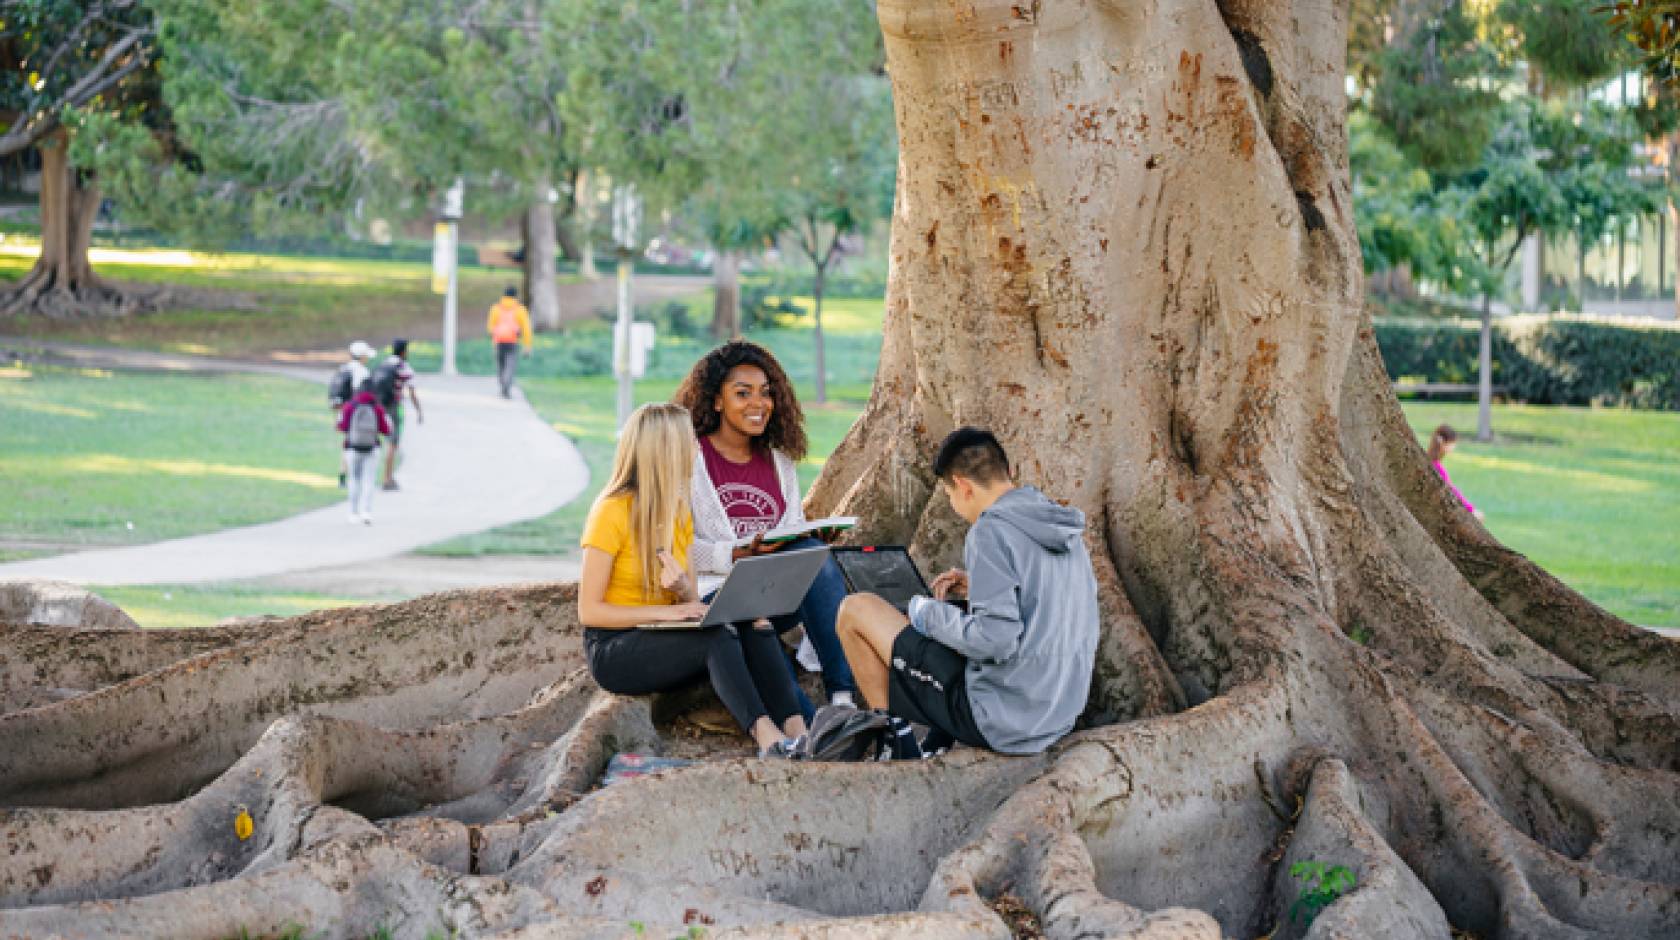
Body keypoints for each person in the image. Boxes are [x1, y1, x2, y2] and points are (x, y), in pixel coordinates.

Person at [834, 427, 1099, 756]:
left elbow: (995, 641)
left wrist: (923, 611)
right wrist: (979, 587)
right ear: (1008, 473)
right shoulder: (1059, 527)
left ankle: (895, 742)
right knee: (950, 628)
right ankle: (929, 739)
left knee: (855, 610)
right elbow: (1051, 603)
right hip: (1056, 714)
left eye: (949, 495)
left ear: (961, 485)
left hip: (1002, 722)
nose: (954, 504)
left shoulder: (990, 531)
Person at [577, 402, 809, 759]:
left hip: (663, 634)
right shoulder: (611, 510)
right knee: (716, 636)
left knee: (752, 617)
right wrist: (664, 614)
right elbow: (590, 611)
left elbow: (686, 598)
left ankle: (800, 731)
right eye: (689, 441)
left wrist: (683, 595)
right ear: (666, 450)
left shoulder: (678, 511)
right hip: (614, 647)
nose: (697, 448)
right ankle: (768, 739)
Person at [674, 341, 858, 716]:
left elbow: (788, 530)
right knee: (753, 623)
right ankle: (805, 725)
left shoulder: (779, 462)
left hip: (774, 591)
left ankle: (843, 698)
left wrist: (807, 537)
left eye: (766, 393)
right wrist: (736, 554)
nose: (758, 404)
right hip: (717, 592)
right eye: (742, 394)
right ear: (716, 401)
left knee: (817, 559)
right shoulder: (689, 460)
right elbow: (673, 548)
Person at [337, 378, 392, 525]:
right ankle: (366, 512)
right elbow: (385, 430)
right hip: (372, 448)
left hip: (352, 448)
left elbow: (341, 427)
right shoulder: (377, 408)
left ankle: (353, 513)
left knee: (354, 480)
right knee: (369, 481)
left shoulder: (350, 406)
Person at [373, 339, 423, 491]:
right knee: (392, 444)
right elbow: (412, 391)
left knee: (375, 442)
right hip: (394, 407)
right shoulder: (404, 367)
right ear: (404, 351)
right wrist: (419, 411)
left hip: (377, 406)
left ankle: (373, 476)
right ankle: (387, 478)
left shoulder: (383, 364)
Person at [330, 341, 375, 488]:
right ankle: (352, 477)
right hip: (355, 414)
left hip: (341, 411)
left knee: (347, 443)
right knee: (355, 444)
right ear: (361, 356)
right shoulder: (362, 372)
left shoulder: (344, 369)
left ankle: (344, 475)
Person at [1426, 424, 1481, 519]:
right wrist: (1470, 508)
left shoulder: (1430, 462)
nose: (1454, 446)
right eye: (1453, 443)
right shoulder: (1437, 467)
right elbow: (1450, 490)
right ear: (1445, 444)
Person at [487, 286, 533, 399]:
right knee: (510, 365)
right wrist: (527, 345)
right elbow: (526, 329)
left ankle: (503, 385)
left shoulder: (496, 308)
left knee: (500, 365)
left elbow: (490, 326)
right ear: (515, 296)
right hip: (512, 341)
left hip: (499, 341)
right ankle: (506, 387)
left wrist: (494, 338)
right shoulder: (520, 309)